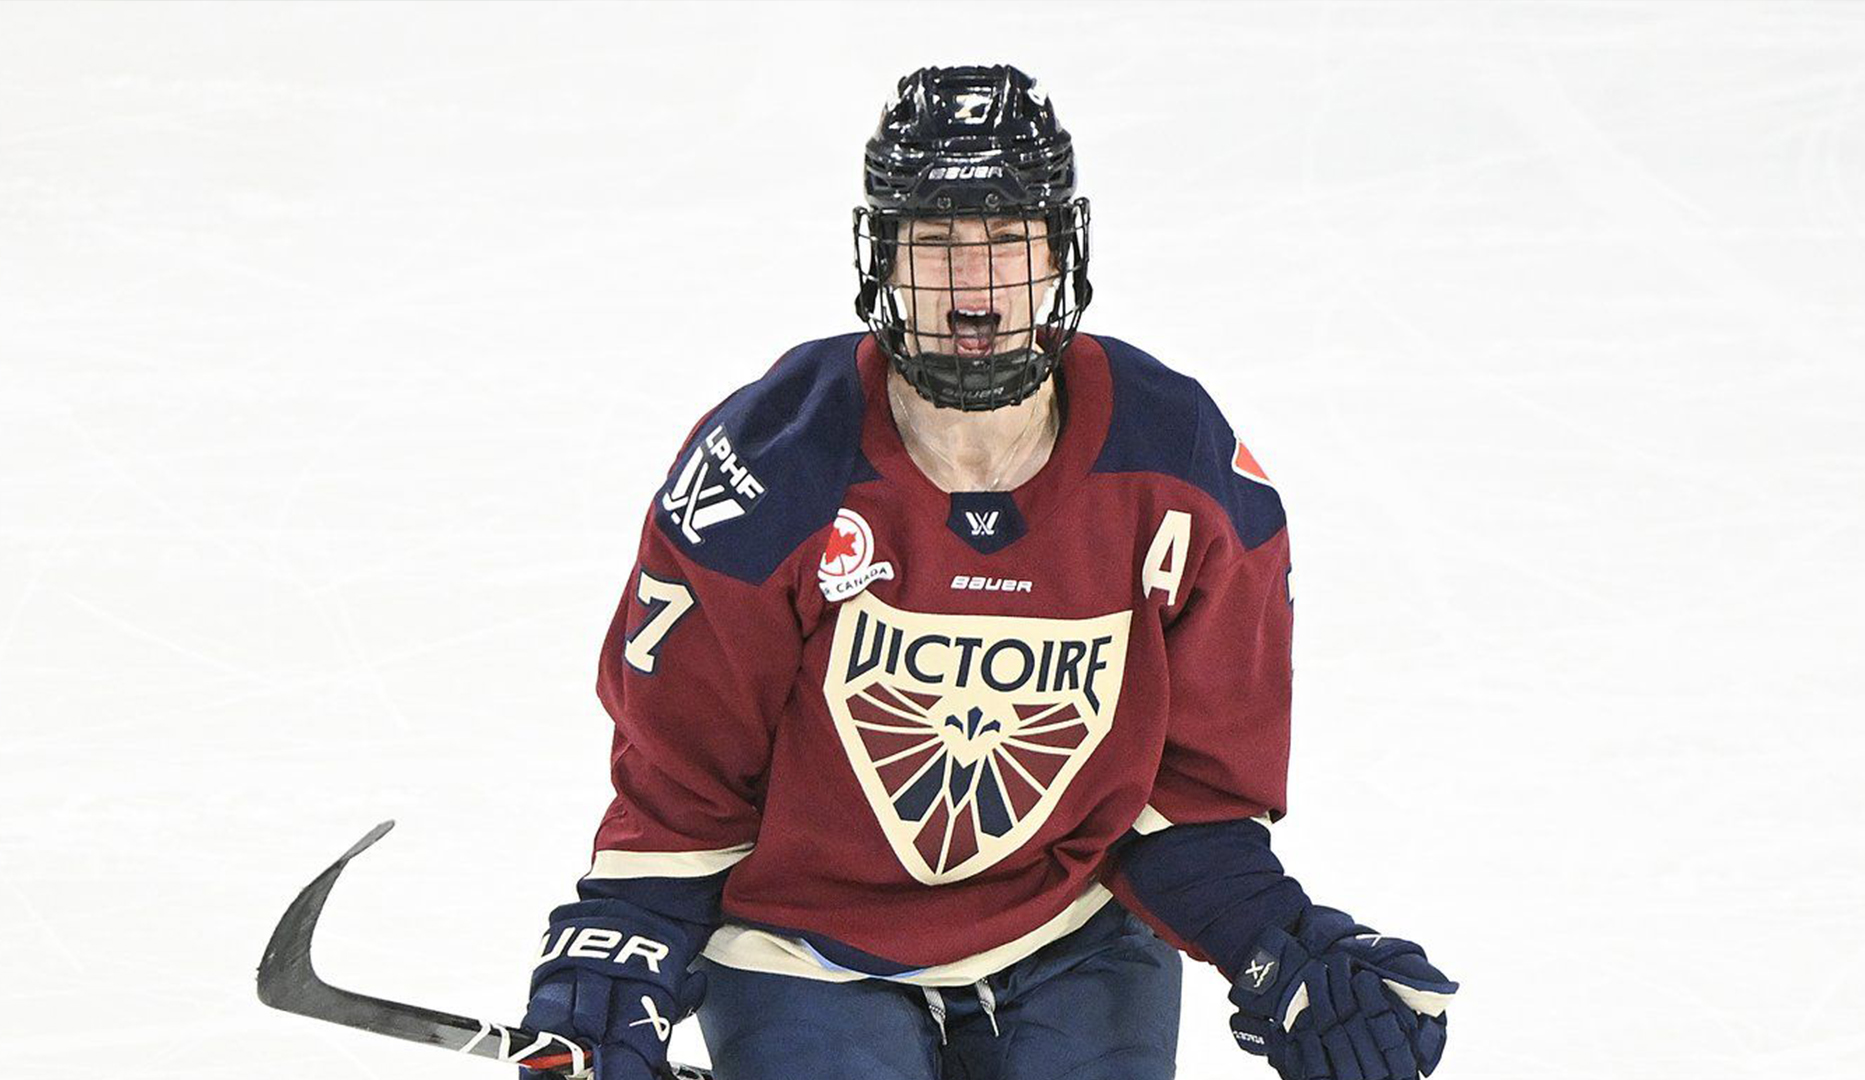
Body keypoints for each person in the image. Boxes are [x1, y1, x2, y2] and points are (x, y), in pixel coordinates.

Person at [520, 64, 1456, 1080]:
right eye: (935, 244)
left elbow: (1188, 799)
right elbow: (683, 784)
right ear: (881, 259)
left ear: (1062, 250)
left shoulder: (1180, 468)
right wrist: (615, 960)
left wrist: (1279, 946)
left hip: (1076, 928)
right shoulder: (771, 468)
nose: (974, 291)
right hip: (804, 943)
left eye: (1008, 239)